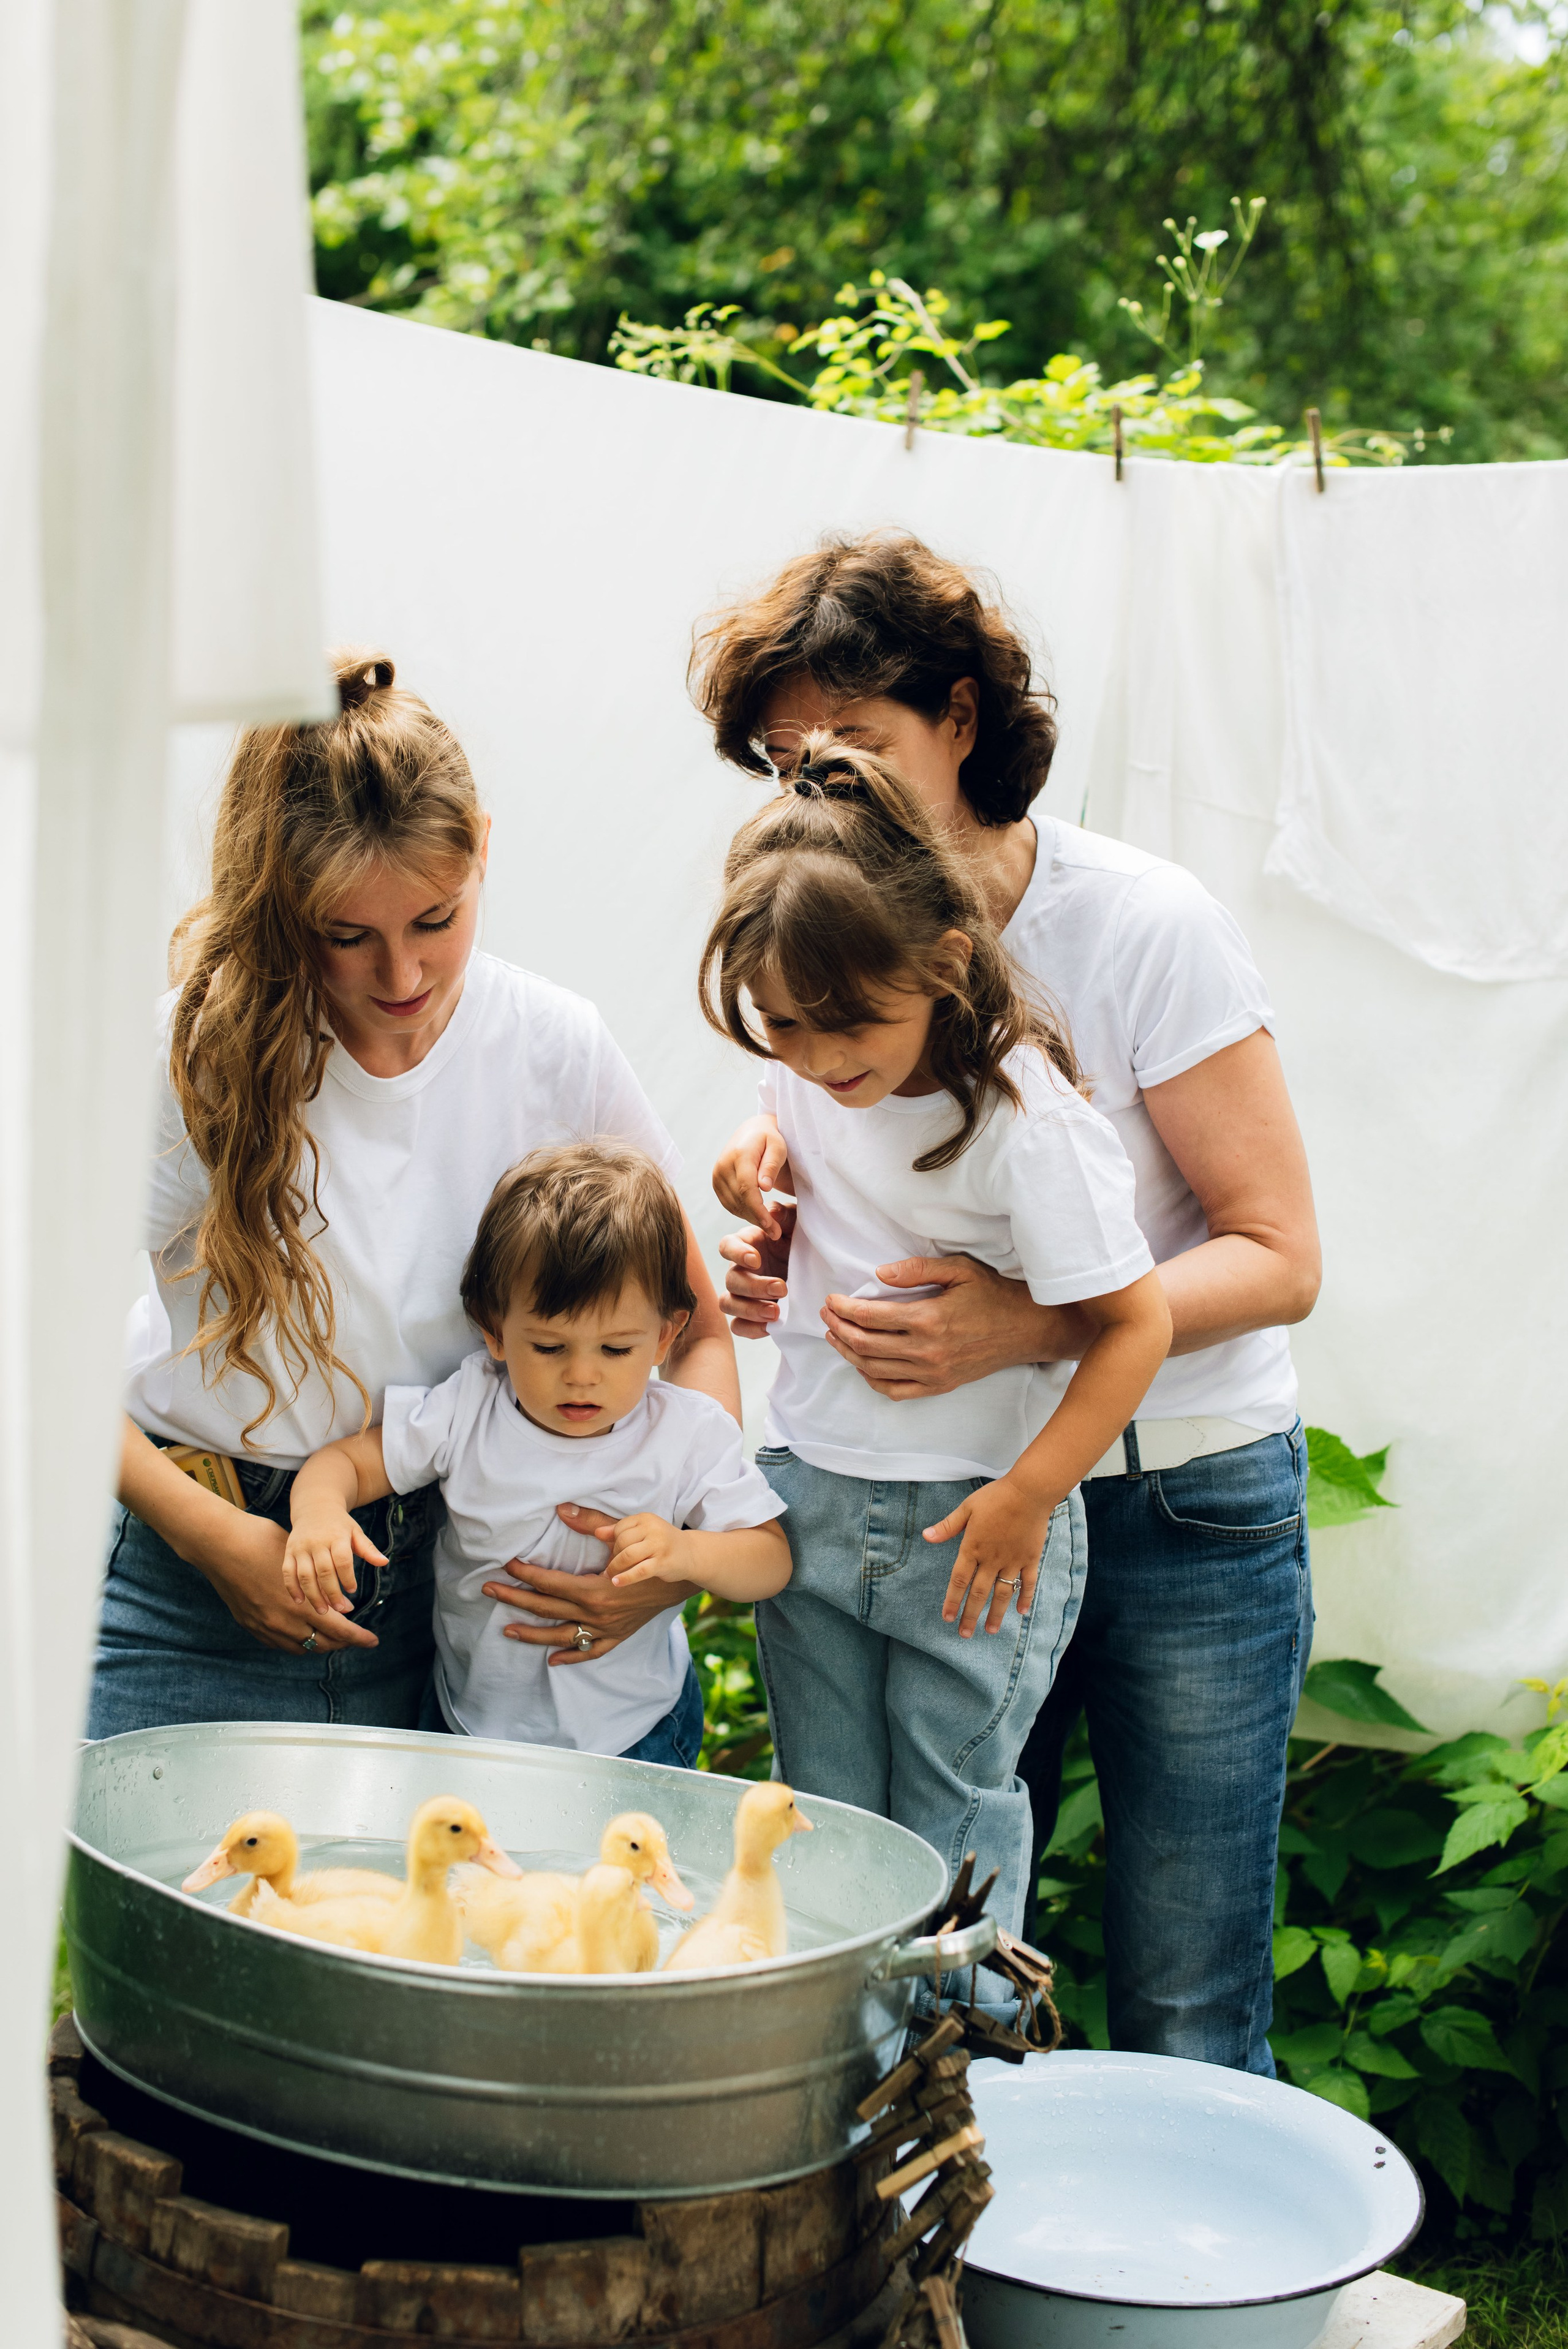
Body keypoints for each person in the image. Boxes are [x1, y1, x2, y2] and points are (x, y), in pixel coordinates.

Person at [692, 532, 1321, 2075]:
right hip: (929, 1497)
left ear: (960, 717)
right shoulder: (826, 949)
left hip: (1172, 1492)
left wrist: (1022, 1322)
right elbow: (862, 1147)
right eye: (782, 759)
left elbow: (1278, 1251)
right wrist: (783, 1194)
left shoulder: (1139, 922)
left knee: (1177, 1977)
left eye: (849, 743)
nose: (811, 786)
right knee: (924, 1899)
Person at [93, 652, 737, 1737]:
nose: (401, 978)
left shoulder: (552, 1047)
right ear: (280, 905)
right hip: (197, 1577)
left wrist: (672, 1557)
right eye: (348, 937)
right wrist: (218, 1542)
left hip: (463, 1593)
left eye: (435, 920)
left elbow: (697, 1331)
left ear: (482, 846)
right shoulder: (191, 1056)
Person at [704, 742, 1170, 1943]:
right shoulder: (821, 1071)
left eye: (843, 1024)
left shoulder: (1023, 1119)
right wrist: (746, 1171)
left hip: (972, 1523)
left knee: (948, 1811)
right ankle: (835, 2086)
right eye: (782, 1026)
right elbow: (779, 1127)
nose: (813, 1058)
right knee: (820, 1818)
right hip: (809, 1492)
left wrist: (1029, 1494)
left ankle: (954, 2085)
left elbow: (1136, 1322)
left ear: (944, 961)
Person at [282, 1142, 790, 1765]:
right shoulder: (470, 1408)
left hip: (633, 1734)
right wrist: (318, 1513)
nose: (582, 1376)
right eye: (549, 1348)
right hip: (468, 1726)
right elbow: (345, 1463)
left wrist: (688, 1550)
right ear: (494, 1329)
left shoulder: (684, 1432)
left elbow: (769, 1559)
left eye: (615, 1350)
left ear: (664, 1335)